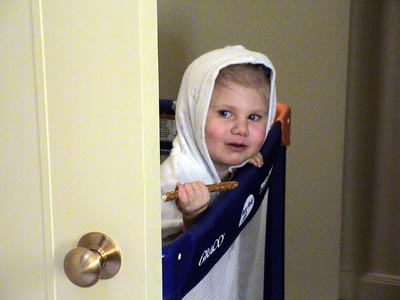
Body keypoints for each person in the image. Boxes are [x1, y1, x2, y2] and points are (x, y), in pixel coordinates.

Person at [161, 45, 277, 242]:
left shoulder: (225, 156)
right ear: (195, 116)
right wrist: (192, 215)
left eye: (254, 117)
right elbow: (166, 257)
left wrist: (240, 163)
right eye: (225, 113)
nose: (242, 129)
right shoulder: (175, 178)